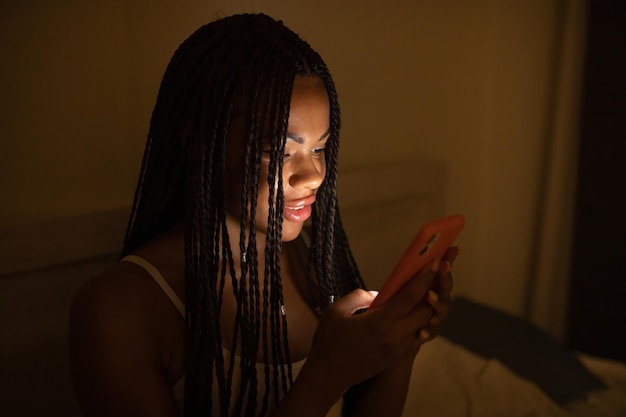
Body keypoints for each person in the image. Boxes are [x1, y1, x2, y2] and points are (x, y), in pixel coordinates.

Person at [69, 13, 457, 417]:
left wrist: (400, 346)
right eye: (281, 151)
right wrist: (326, 373)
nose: (313, 176)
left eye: (320, 148)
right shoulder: (118, 311)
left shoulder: (303, 254)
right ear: (200, 142)